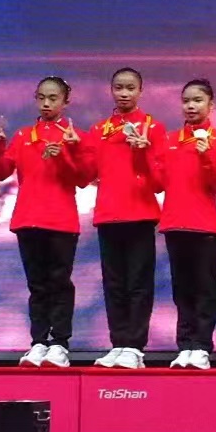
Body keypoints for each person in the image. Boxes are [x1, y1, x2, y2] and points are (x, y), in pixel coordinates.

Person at [0, 77, 92, 367]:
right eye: (41, 97)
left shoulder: (75, 136)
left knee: (59, 283)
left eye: (53, 98)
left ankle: (59, 344)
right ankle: (38, 342)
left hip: (61, 221)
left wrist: (66, 155)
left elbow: (83, 179)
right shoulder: (24, 135)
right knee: (37, 285)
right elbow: (1, 172)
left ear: (65, 102)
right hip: (28, 220)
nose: (46, 104)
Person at [139, 78, 216, 369]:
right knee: (182, 290)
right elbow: (158, 184)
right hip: (175, 224)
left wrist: (206, 156)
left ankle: (201, 346)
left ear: (210, 105)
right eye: (186, 101)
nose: (191, 106)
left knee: (204, 289)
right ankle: (185, 345)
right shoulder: (169, 140)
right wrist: (144, 154)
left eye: (197, 100)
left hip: (204, 227)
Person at [87, 67, 163, 368]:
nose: (124, 93)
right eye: (119, 87)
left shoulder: (153, 127)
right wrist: (71, 148)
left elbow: (160, 181)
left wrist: (142, 151)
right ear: (111, 90)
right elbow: (86, 173)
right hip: (108, 215)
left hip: (140, 214)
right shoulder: (99, 130)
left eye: (130, 88)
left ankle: (134, 346)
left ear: (140, 91)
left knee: (138, 283)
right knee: (114, 284)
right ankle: (118, 343)